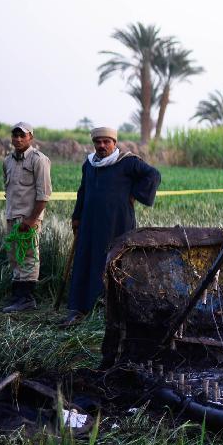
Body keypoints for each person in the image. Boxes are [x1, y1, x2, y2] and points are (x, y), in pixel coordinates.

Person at [60, 127, 161, 326]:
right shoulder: (89, 165)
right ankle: (79, 309)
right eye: (98, 142)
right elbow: (83, 192)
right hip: (90, 223)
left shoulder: (128, 162)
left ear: (114, 143)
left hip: (117, 223)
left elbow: (153, 175)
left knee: (113, 262)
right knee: (86, 260)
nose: (102, 146)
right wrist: (76, 217)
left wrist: (135, 192)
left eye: (106, 141)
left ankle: (111, 311)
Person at [0, 122, 52, 313]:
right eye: (15, 135)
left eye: (23, 135)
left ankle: (27, 299)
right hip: (12, 216)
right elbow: (9, 190)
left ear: (31, 137)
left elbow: (44, 195)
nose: (18, 139)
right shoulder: (8, 161)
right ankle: (17, 297)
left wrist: (31, 220)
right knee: (14, 257)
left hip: (29, 219)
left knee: (29, 256)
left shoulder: (39, 160)